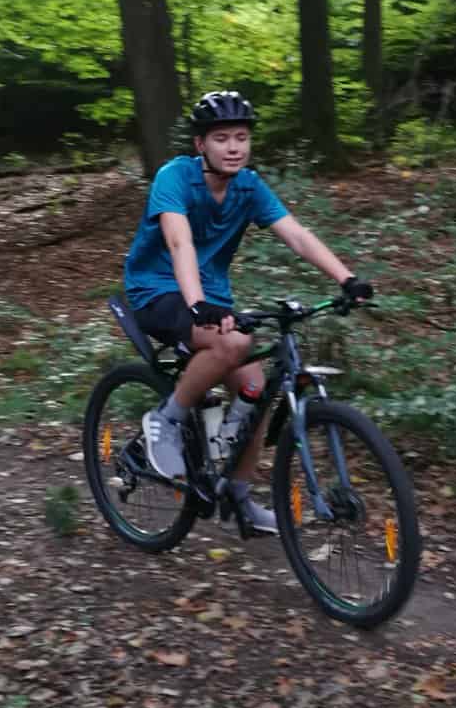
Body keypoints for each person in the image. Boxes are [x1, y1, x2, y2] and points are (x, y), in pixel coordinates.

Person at [123, 89, 373, 534]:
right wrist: (197, 303)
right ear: (200, 144)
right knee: (235, 342)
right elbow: (180, 242)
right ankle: (166, 420)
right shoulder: (174, 177)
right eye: (221, 138)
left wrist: (346, 278)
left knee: (255, 388)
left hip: (212, 298)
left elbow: (296, 235)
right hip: (157, 291)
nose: (234, 147)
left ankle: (238, 500)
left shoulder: (248, 186)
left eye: (241, 137)